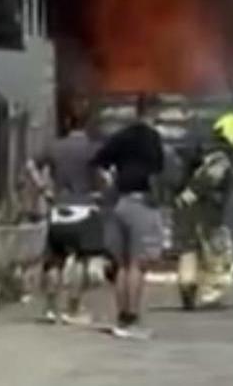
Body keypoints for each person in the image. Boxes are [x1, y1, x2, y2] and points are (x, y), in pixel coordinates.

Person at [92, 94, 167, 339]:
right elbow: (156, 173)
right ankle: (133, 319)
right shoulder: (152, 137)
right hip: (140, 202)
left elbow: (98, 162)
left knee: (122, 264)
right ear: (154, 111)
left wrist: (110, 183)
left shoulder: (123, 135)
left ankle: (122, 318)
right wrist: (157, 200)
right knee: (137, 264)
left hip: (119, 203)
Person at [35, 101, 102, 325]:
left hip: (58, 209)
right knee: (81, 261)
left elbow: (30, 163)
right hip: (84, 207)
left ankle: (50, 309)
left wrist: (44, 188)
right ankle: (73, 307)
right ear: (88, 123)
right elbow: (107, 175)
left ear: (66, 122)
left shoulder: (55, 147)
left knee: (54, 261)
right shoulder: (93, 149)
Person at [173, 112, 233, 311]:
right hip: (208, 211)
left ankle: (187, 287)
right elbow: (209, 179)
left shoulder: (202, 153)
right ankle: (211, 294)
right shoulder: (221, 158)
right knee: (220, 253)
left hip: (186, 209)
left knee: (188, 249)